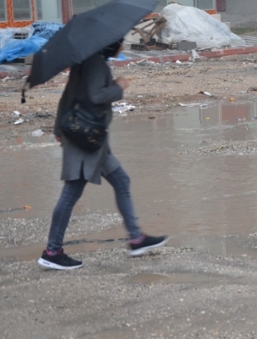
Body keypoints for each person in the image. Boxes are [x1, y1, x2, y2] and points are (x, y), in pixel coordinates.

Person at [38, 40, 167, 270]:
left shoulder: (84, 61)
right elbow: (97, 95)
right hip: (84, 139)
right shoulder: (96, 63)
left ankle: (136, 239)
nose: (123, 45)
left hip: (91, 140)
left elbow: (66, 97)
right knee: (71, 193)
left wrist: (58, 129)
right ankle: (52, 251)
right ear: (111, 44)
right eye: (121, 43)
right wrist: (119, 86)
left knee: (121, 181)